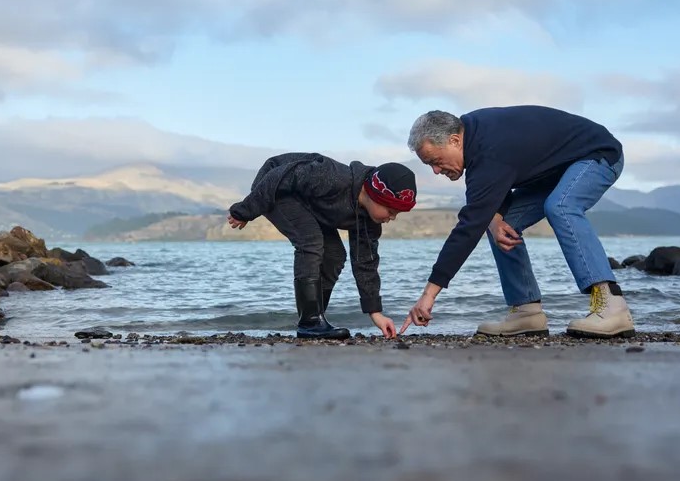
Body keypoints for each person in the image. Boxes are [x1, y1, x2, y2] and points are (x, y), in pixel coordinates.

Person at [399, 106, 634, 339]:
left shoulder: (490, 148)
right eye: (429, 165)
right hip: (557, 170)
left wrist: (429, 295)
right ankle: (526, 311)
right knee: (502, 225)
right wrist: (495, 221)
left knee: (561, 206)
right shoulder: (475, 140)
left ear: (454, 141)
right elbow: (485, 204)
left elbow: (468, 229)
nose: (436, 170)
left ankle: (612, 306)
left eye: (436, 160)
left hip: (598, 155)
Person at [227, 153, 417, 340]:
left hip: (310, 202)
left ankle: (316, 319)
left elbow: (365, 263)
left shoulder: (369, 221)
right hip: (276, 186)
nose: (391, 218)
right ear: (375, 194)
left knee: (334, 255)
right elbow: (280, 176)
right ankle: (310, 322)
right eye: (391, 211)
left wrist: (375, 313)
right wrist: (244, 210)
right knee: (311, 241)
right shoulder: (332, 177)